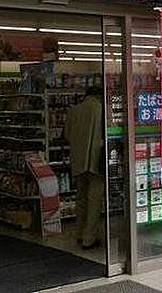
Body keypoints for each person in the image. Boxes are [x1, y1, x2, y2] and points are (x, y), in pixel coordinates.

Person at [64, 85, 104, 249]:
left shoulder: (73, 111)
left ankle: (79, 233)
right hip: (95, 162)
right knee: (94, 201)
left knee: (80, 199)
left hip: (78, 162)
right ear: (98, 95)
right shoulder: (101, 109)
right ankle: (89, 238)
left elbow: (67, 135)